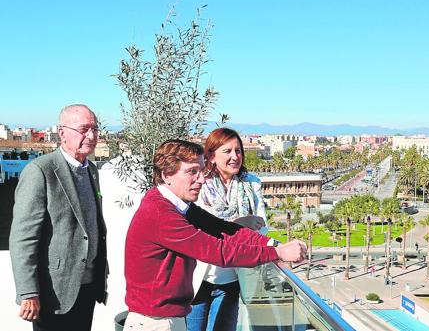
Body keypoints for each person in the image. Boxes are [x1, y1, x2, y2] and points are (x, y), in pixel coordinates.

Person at [124, 139, 306, 331]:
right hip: (155, 323)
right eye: (192, 171)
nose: (201, 179)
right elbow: (218, 252)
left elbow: (225, 230)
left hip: (166, 319)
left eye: (201, 171)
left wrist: (273, 243)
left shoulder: (177, 206)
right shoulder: (161, 213)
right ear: (167, 174)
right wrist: (277, 253)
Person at [10, 104, 107, 331]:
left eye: (95, 128)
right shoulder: (40, 171)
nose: (92, 136)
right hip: (54, 292)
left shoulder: (91, 169)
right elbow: (23, 239)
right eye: (84, 129)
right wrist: (28, 292)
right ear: (62, 132)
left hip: (87, 287)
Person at [187, 128, 268, 331]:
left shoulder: (252, 185)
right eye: (228, 151)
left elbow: (261, 228)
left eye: (238, 151)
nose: (235, 157)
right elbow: (200, 231)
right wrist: (239, 223)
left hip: (233, 279)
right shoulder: (200, 184)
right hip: (199, 280)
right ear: (212, 156)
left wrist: (235, 226)